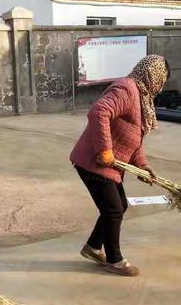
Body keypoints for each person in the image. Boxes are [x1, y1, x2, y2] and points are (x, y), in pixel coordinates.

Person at [70, 55, 170, 277]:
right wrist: (104, 150)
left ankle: (94, 247)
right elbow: (99, 112)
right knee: (113, 208)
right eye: (162, 81)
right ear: (153, 75)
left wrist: (142, 166)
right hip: (93, 161)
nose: (161, 88)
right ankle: (114, 259)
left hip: (111, 163)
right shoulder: (127, 90)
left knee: (118, 206)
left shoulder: (141, 97)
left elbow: (133, 139)